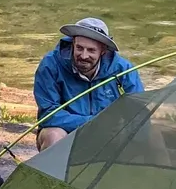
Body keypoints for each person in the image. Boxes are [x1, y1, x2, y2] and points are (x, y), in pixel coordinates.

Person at [33, 17, 143, 152]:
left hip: (110, 134)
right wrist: (94, 123)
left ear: (103, 50)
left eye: (91, 50)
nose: (84, 56)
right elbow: (48, 115)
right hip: (68, 133)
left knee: (153, 133)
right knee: (53, 135)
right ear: (73, 43)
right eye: (79, 48)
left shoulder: (123, 69)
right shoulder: (51, 65)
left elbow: (139, 111)